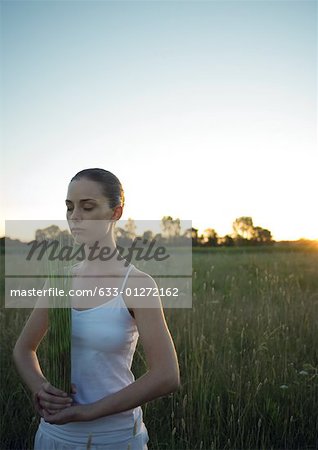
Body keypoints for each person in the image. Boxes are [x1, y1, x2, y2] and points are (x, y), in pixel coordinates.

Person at [13, 168, 180, 450]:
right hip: (54, 435)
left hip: (113, 438)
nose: (74, 216)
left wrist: (87, 412)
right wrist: (41, 389)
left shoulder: (138, 284)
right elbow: (23, 349)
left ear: (116, 212)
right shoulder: (59, 279)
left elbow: (166, 375)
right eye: (69, 207)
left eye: (87, 206)